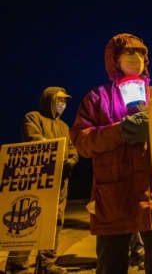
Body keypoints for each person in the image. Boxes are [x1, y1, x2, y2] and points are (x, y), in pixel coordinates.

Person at [69, 32, 152, 274]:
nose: (135, 58)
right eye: (127, 53)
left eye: (140, 53)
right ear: (114, 60)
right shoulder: (96, 98)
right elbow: (82, 142)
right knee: (111, 264)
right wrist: (120, 131)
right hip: (112, 199)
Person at [6, 86, 79, 274]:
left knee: (55, 222)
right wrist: (57, 153)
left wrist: (71, 160)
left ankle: (46, 264)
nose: (63, 105)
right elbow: (35, 141)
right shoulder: (33, 118)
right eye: (60, 100)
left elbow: (72, 149)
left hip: (59, 182)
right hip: (36, 180)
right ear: (50, 100)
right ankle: (17, 265)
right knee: (27, 221)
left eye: (65, 102)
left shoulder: (64, 127)